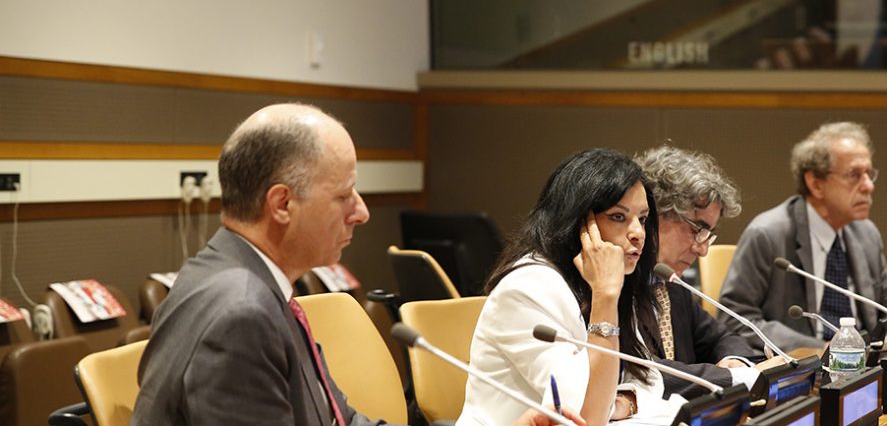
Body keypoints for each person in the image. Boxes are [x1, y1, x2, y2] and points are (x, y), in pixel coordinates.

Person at [132, 103, 580, 426]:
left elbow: (341, 419)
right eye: (344, 195)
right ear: (282, 204)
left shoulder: (234, 277)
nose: (361, 212)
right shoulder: (241, 313)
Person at [459, 148, 671, 426]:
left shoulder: (604, 279)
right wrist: (605, 298)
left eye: (642, 219)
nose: (638, 233)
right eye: (618, 217)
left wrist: (621, 403)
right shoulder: (528, 288)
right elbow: (585, 416)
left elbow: (647, 380)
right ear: (578, 223)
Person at [717, 122, 887, 352]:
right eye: (854, 175)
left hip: (865, 363)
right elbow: (735, 317)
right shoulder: (767, 234)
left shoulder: (866, 234)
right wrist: (820, 348)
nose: (868, 186)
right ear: (815, 184)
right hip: (802, 365)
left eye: (869, 174)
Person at [634, 145, 758, 399]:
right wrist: (729, 378)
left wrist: (735, 361)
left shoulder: (670, 282)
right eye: (696, 230)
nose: (702, 250)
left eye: (708, 235)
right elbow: (642, 371)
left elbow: (722, 337)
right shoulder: (613, 281)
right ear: (655, 213)